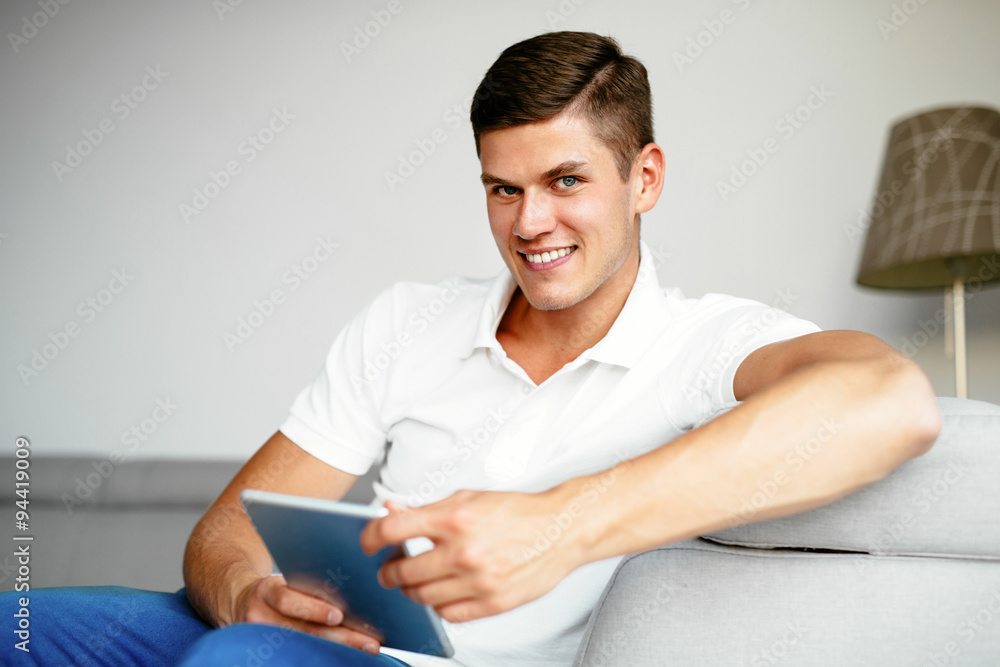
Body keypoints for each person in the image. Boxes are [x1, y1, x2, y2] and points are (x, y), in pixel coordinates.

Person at [2, 30, 940, 667]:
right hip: (309, 640)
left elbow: (889, 399)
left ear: (644, 178)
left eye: (566, 180)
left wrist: (559, 525)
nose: (530, 223)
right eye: (503, 188)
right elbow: (223, 535)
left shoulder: (703, 343)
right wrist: (248, 589)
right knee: (20, 621)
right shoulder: (407, 320)